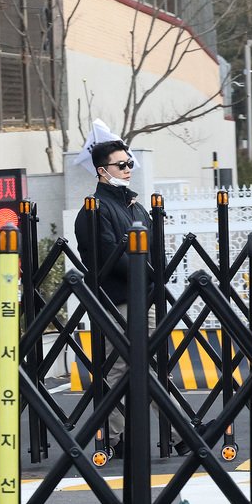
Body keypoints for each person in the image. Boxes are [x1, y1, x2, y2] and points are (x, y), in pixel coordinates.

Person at [73, 139, 180, 452]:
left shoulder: (135, 206)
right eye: (121, 165)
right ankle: (121, 436)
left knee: (147, 365)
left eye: (130, 163)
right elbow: (107, 257)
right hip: (119, 300)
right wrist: (147, 271)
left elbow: (155, 249)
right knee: (127, 367)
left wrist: (154, 273)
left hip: (145, 298)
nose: (128, 169)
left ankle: (120, 436)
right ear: (102, 171)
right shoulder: (94, 210)